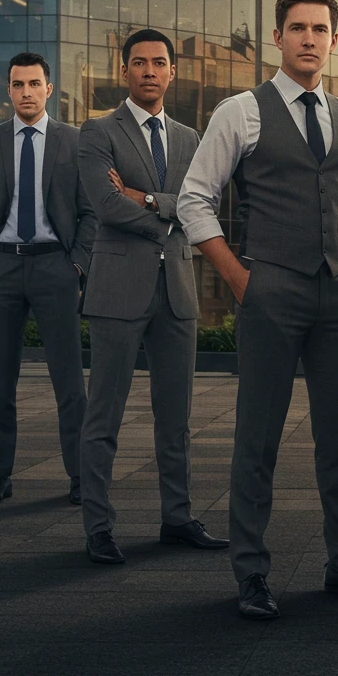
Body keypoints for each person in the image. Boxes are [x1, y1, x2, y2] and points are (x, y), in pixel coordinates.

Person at [178, 0, 338, 620]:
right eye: (297, 28)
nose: (309, 40)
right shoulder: (240, 110)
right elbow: (195, 199)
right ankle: (251, 571)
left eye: (320, 29)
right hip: (271, 290)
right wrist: (241, 279)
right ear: (278, 37)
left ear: (333, 39)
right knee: (259, 437)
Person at [76, 28, 226, 566]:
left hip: (177, 292)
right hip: (117, 290)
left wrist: (145, 198)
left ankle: (178, 517)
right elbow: (105, 205)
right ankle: (98, 526)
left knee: (177, 418)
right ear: (124, 72)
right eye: (138, 63)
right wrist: (169, 211)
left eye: (159, 63)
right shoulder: (96, 133)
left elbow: (200, 204)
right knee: (104, 417)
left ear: (172, 72)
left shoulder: (192, 138)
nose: (149, 71)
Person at [0, 53, 95, 505]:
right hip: (0, 267)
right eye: (18, 85)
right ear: (8, 90)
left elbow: (90, 211)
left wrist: (76, 264)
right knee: (0, 380)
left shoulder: (74, 141)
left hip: (55, 267)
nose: (26, 93)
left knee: (69, 382)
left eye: (34, 84)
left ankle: (80, 476)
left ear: (49, 89)